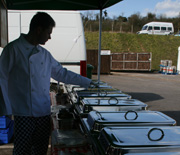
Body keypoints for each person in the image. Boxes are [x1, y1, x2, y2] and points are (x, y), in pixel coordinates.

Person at [0, 12, 92, 155]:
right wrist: (6, 109)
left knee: (41, 149)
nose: (49, 37)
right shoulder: (13, 49)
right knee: (22, 150)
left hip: (43, 112)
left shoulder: (44, 54)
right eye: (48, 32)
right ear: (38, 30)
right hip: (23, 112)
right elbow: (2, 78)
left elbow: (62, 73)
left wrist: (88, 83)